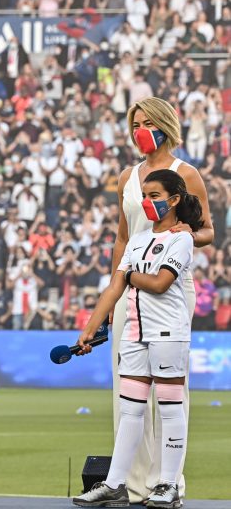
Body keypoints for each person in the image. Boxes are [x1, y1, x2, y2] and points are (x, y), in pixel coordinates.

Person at [72, 169, 203, 508]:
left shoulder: (182, 238)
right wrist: (90, 329)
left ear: (174, 200)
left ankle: (168, 485)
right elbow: (114, 287)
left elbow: (159, 283)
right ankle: (116, 484)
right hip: (134, 334)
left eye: (155, 196)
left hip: (169, 334)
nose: (147, 202)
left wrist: (130, 274)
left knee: (171, 409)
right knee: (131, 411)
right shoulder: (136, 240)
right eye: (144, 196)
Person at [111, 97, 213, 503]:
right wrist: (113, 287)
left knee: (170, 390)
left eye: (148, 122)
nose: (141, 129)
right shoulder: (126, 177)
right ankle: (133, 485)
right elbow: (122, 236)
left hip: (170, 286)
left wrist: (179, 236)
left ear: (165, 124)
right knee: (127, 388)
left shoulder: (185, 173)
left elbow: (206, 231)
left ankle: (168, 482)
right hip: (130, 287)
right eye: (135, 122)